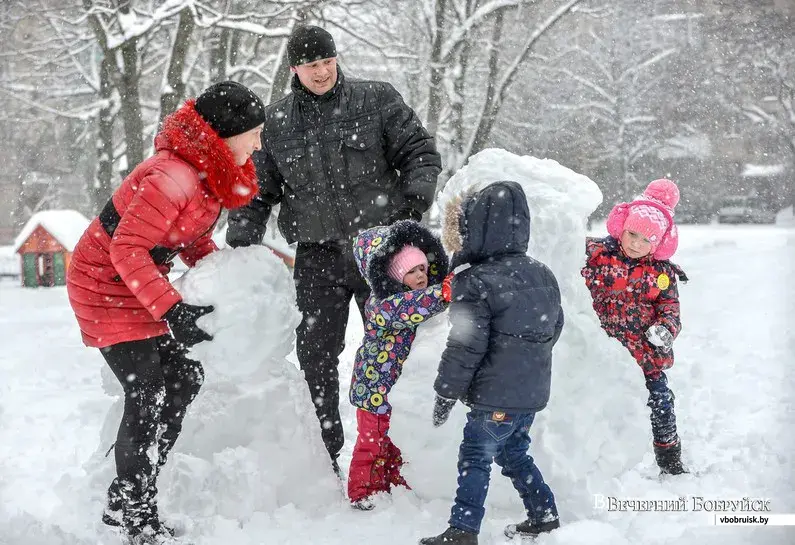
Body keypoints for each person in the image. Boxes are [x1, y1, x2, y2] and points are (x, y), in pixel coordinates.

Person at [226, 25, 442, 474]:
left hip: (381, 254)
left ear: (336, 59)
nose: (321, 72)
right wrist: (239, 241)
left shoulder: (376, 99)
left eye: (327, 61)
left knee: (394, 345)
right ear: (294, 69)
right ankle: (322, 455)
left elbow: (419, 152)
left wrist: (411, 208)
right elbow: (257, 190)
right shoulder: (277, 122)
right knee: (315, 356)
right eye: (310, 65)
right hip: (317, 257)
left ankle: (395, 453)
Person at [66, 81, 266, 544]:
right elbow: (128, 248)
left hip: (137, 284)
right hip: (102, 285)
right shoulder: (170, 177)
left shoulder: (206, 178)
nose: (258, 143)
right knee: (147, 393)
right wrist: (172, 309)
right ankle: (135, 515)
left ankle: (127, 490)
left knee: (184, 379)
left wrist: (222, 273)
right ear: (223, 135)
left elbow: (191, 239)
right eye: (252, 133)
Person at [421, 182, 564, 545]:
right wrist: (525, 363)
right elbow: (554, 327)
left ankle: (463, 529)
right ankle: (543, 513)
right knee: (513, 451)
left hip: (494, 396)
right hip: (531, 392)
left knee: (476, 455)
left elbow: (464, 346)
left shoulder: (475, 281)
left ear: (477, 231)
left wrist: (445, 393)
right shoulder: (541, 273)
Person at [581, 178, 688, 476]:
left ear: (659, 243)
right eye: (632, 234)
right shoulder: (597, 253)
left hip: (642, 350)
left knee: (661, 401)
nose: (635, 244)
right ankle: (587, 459)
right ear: (622, 226)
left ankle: (669, 458)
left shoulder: (662, 272)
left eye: (646, 240)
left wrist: (664, 330)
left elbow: (670, 310)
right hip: (600, 344)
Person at [347, 220, 450, 510]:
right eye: (411, 271)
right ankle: (362, 491)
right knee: (372, 442)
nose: (421, 275)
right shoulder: (383, 305)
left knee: (395, 440)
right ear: (393, 275)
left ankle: (394, 484)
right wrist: (442, 294)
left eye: (423, 269)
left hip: (392, 388)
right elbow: (409, 307)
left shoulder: (412, 299)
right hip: (373, 388)